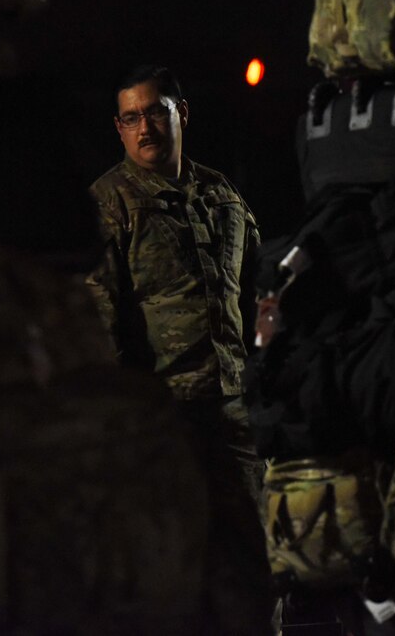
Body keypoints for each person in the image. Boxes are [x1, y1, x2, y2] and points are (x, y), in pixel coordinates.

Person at [86, 64, 272, 635]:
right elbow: (100, 322)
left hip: (235, 413)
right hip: (167, 421)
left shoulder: (223, 197)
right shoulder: (110, 202)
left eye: (155, 112)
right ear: (118, 128)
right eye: (131, 117)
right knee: (171, 575)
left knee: (256, 570)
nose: (145, 128)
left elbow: (256, 299)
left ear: (181, 114)